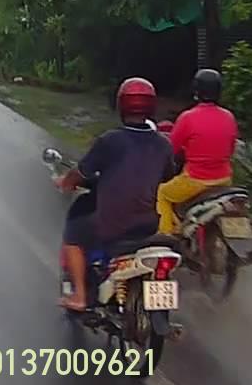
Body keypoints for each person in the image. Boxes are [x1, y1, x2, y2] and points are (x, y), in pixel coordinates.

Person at [55, 77, 177, 311]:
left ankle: (79, 296)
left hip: (113, 224)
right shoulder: (163, 144)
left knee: (73, 235)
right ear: (152, 106)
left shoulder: (109, 140)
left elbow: (81, 172)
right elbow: (168, 175)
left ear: (121, 105)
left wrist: (66, 182)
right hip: (148, 225)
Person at [155, 68, 238, 235]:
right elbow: (230, 149)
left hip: (196, 180)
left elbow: (170, 149)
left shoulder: (188, 117)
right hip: (224, 180)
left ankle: (166, 236)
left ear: (196, 91)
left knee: (162, 194)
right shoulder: (229, 116)